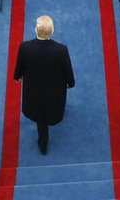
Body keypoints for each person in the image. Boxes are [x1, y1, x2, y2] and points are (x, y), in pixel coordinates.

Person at [13, 15, 75, 155]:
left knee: (39, 116)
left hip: (33, 88)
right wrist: (71, 83)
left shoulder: (25, 47)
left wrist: (17, 77)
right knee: (51, 109)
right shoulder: (61, 50)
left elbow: (20, 66)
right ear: (52, 31)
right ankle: (45, 138)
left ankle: (43, 143)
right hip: (55, 89)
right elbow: (67, 69)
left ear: (36, 30)